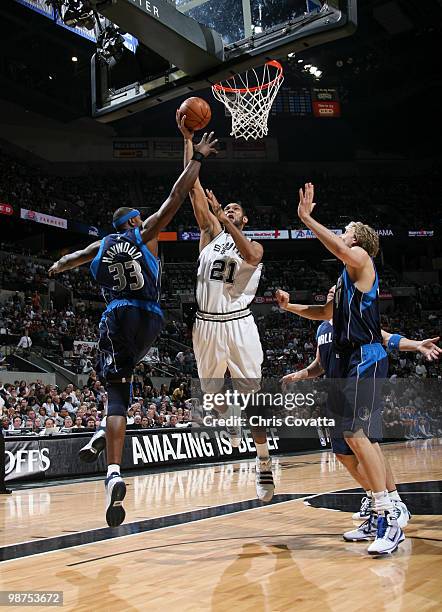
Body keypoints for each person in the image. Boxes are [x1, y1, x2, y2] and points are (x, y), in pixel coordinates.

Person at [49, 132, 217, 527]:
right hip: (152, 320)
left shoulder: (100, 246)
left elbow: (72, 259)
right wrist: (198, 157)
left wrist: (56, 268)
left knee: (117, 393)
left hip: (118, 316)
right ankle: (101, 438)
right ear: (134, 223)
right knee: (125, 377)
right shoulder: (145, 235)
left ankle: (112, 472)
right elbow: (177, 195)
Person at [276, 182, 405, 555]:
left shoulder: (361, 259)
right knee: (351, 438)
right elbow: (324, 314)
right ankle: (380, 510)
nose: (343, 234)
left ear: (359, 240)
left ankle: (388, 517)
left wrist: (306, 218)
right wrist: (289, 308)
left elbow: (337, 246)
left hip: (367, 355)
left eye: (347, 230)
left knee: (356, 434)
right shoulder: (344, 278)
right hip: (350, 358)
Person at [280, 286, 441, 543]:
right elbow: (319, 365)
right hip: (336, 393)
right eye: (330, 291)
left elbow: (388, 338)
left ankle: (393, 501)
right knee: (343, 453)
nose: (332, 292)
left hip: (360, 384)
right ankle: (373, 500)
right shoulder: (322, 328)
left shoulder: (355, 320)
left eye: (337, 290)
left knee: (367, 442)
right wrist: (302, 374)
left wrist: (417, 345)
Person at [176, 111, 274, 502]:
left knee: (254, 398)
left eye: (236, 210)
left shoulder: (253, 244)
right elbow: (191, 187)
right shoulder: (208, 235)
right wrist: (188, 142)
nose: (228, 210)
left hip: (239, 324)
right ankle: (229, 421)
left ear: (244, 218)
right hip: (207, 326)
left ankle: (264, 462)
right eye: (226, 208)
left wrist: (225, 219)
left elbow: (249, 253)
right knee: (215, 403)